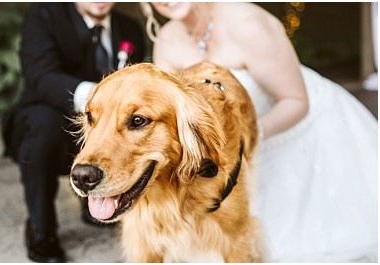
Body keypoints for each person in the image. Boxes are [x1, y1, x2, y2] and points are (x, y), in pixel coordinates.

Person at [143, 2, 378, 262]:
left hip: (298, 126)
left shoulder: (249, 26)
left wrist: (246, 137)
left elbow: (296, 100)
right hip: (230, 148)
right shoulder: (167, 40)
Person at [0, 3, 146, 262]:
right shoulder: (44, 16)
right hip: (48, 118)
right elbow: (40, 76)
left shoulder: (129, 27)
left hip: (107, 128)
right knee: (44, 127)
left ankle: (101, 198)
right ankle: (41, 229)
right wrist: (100, 98)